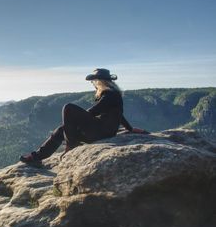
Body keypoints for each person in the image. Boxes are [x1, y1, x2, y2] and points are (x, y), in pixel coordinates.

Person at [20, 68, 148, 167]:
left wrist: (77, 119)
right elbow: (119, 114)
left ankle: (71, 144)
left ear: (100, 82)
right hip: (103, 131)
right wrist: (130, 129)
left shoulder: (109, 95)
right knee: (61, 129)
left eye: (94, 81)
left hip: (101, 132)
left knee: (68, 107)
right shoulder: (113, 94)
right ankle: (37, 157)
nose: (93, 84)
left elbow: (93, 112)